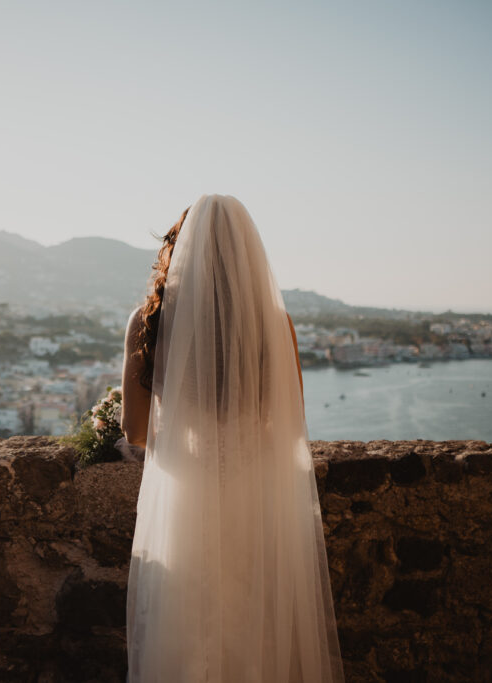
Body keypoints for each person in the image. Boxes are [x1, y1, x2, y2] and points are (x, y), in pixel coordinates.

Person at [121, 195, 346, 682]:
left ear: (179, 250)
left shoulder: (149, 322)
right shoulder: (275, 325)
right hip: (255, 499)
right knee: (254, 634)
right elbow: (290, 423)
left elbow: (135, 431)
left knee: (188, 634)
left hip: (187, 500)